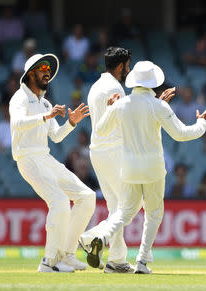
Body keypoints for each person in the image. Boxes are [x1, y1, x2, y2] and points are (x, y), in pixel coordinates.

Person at [79, 60, 206, 274]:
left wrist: (110, 108)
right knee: (153, 213)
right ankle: (141, 262)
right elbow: (181, 134)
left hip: (129, 168)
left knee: (124, 212)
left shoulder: (122, 104)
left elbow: (101, 130)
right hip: (153, 169)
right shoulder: (159, 105)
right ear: (153, 83)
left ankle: (100, 237)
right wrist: (203, 124)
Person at [9, 53, 95, 272]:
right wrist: (45, 117)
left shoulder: (45, 102)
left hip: (45, 158)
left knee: (87, 197)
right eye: (42, 68)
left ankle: (66, 255)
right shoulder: (19, 98)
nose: (47, 72)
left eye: (49, 69)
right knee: (59, 201)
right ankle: (49, 262)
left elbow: (56, 136)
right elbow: (17, 122)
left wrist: (71, 123)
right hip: (27, 158)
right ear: (30, 74)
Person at [77, 46, 133, 273]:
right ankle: (92, 237)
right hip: (113, 152)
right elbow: (122, 120)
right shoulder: (115, 87)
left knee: (116, 208)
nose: (128, 69)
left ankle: (117, 260)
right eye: (128, 66)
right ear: (120, 66)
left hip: (98, 152)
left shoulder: (95, 86)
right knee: (127, 207)